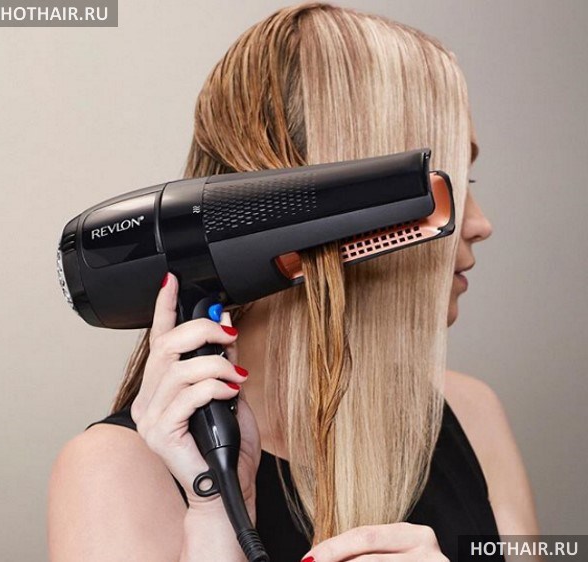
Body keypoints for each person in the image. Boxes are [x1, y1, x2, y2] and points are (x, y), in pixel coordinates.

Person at [48, 3, 540, 561]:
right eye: (447, 182)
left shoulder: (471, 413)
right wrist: (216, 518)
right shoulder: (114, 473)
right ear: (322, 206)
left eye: (469, 181)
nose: (480, 223)